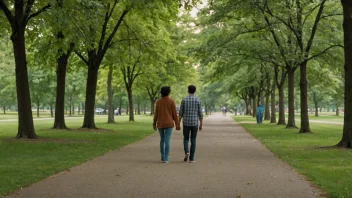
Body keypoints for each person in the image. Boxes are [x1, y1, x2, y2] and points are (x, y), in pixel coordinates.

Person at [153, 86, 180, 163]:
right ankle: (166, 158)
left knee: (162, 139)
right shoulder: (171, 101)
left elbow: (156, 114)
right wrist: (177, 124)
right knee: (167, 140)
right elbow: (175, 114)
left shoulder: (158, 101)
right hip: (169, 123)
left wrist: (154, 123)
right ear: (169, 92)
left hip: (160, 123)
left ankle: (162, 155)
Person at [178, 85, 203, 163]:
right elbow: (200, 113)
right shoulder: (198, 100)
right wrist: (201, 124)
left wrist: (178, 123)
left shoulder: (184, 100)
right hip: (194, 123)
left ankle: (186, 152)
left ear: (188, 90)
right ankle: (192, 158)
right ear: (195, 91)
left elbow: (181, 113)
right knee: (193, 139)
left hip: (186, 122)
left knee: (185, 138)